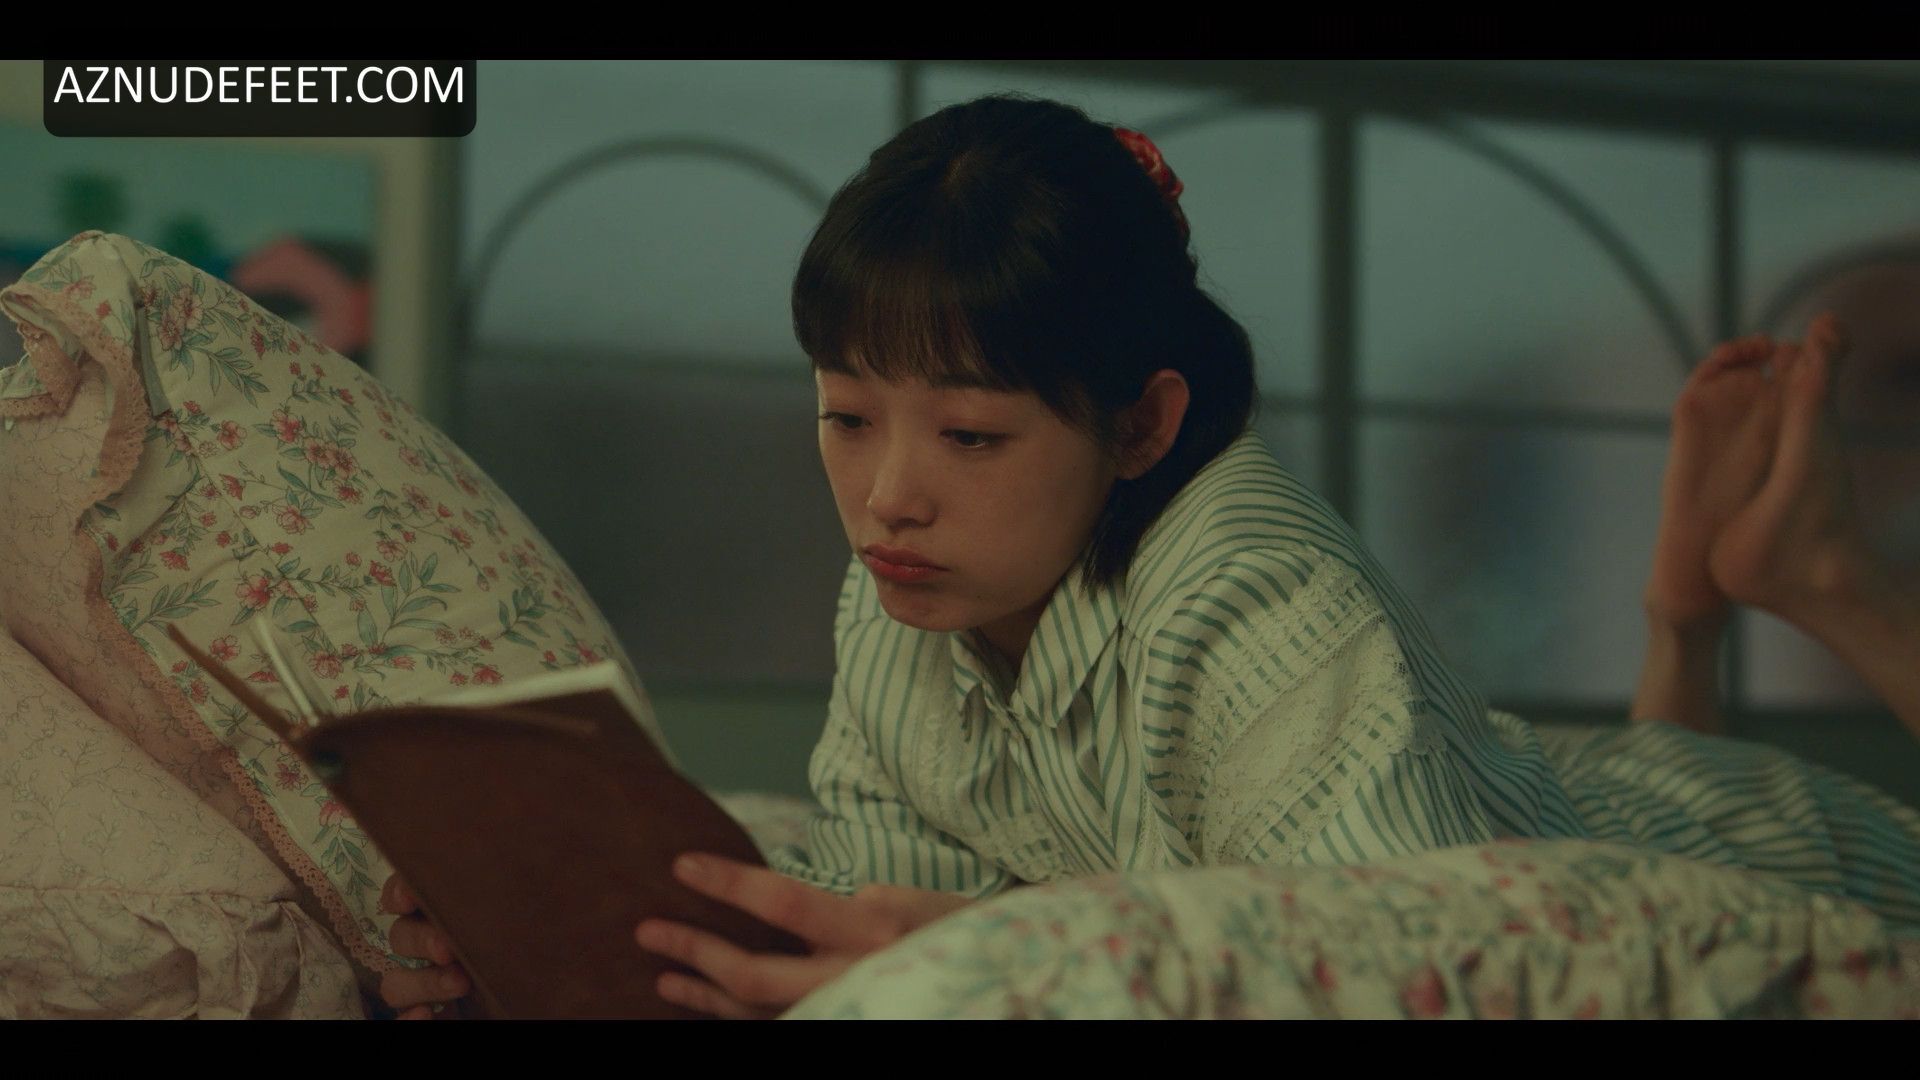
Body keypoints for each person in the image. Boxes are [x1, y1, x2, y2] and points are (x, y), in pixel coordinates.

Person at [377, 94, 1920, 1020]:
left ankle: (1810, 585)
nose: (887, 498)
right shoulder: (904, 596)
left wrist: (1008, 948)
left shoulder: (1251, 584)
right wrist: (599, 929)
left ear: (1140, 424)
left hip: (1769, 860)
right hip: (1574, 796)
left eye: (970, 436)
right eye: (846, 417)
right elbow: (888, 880)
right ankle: (1696, 612)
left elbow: (1418, 960)